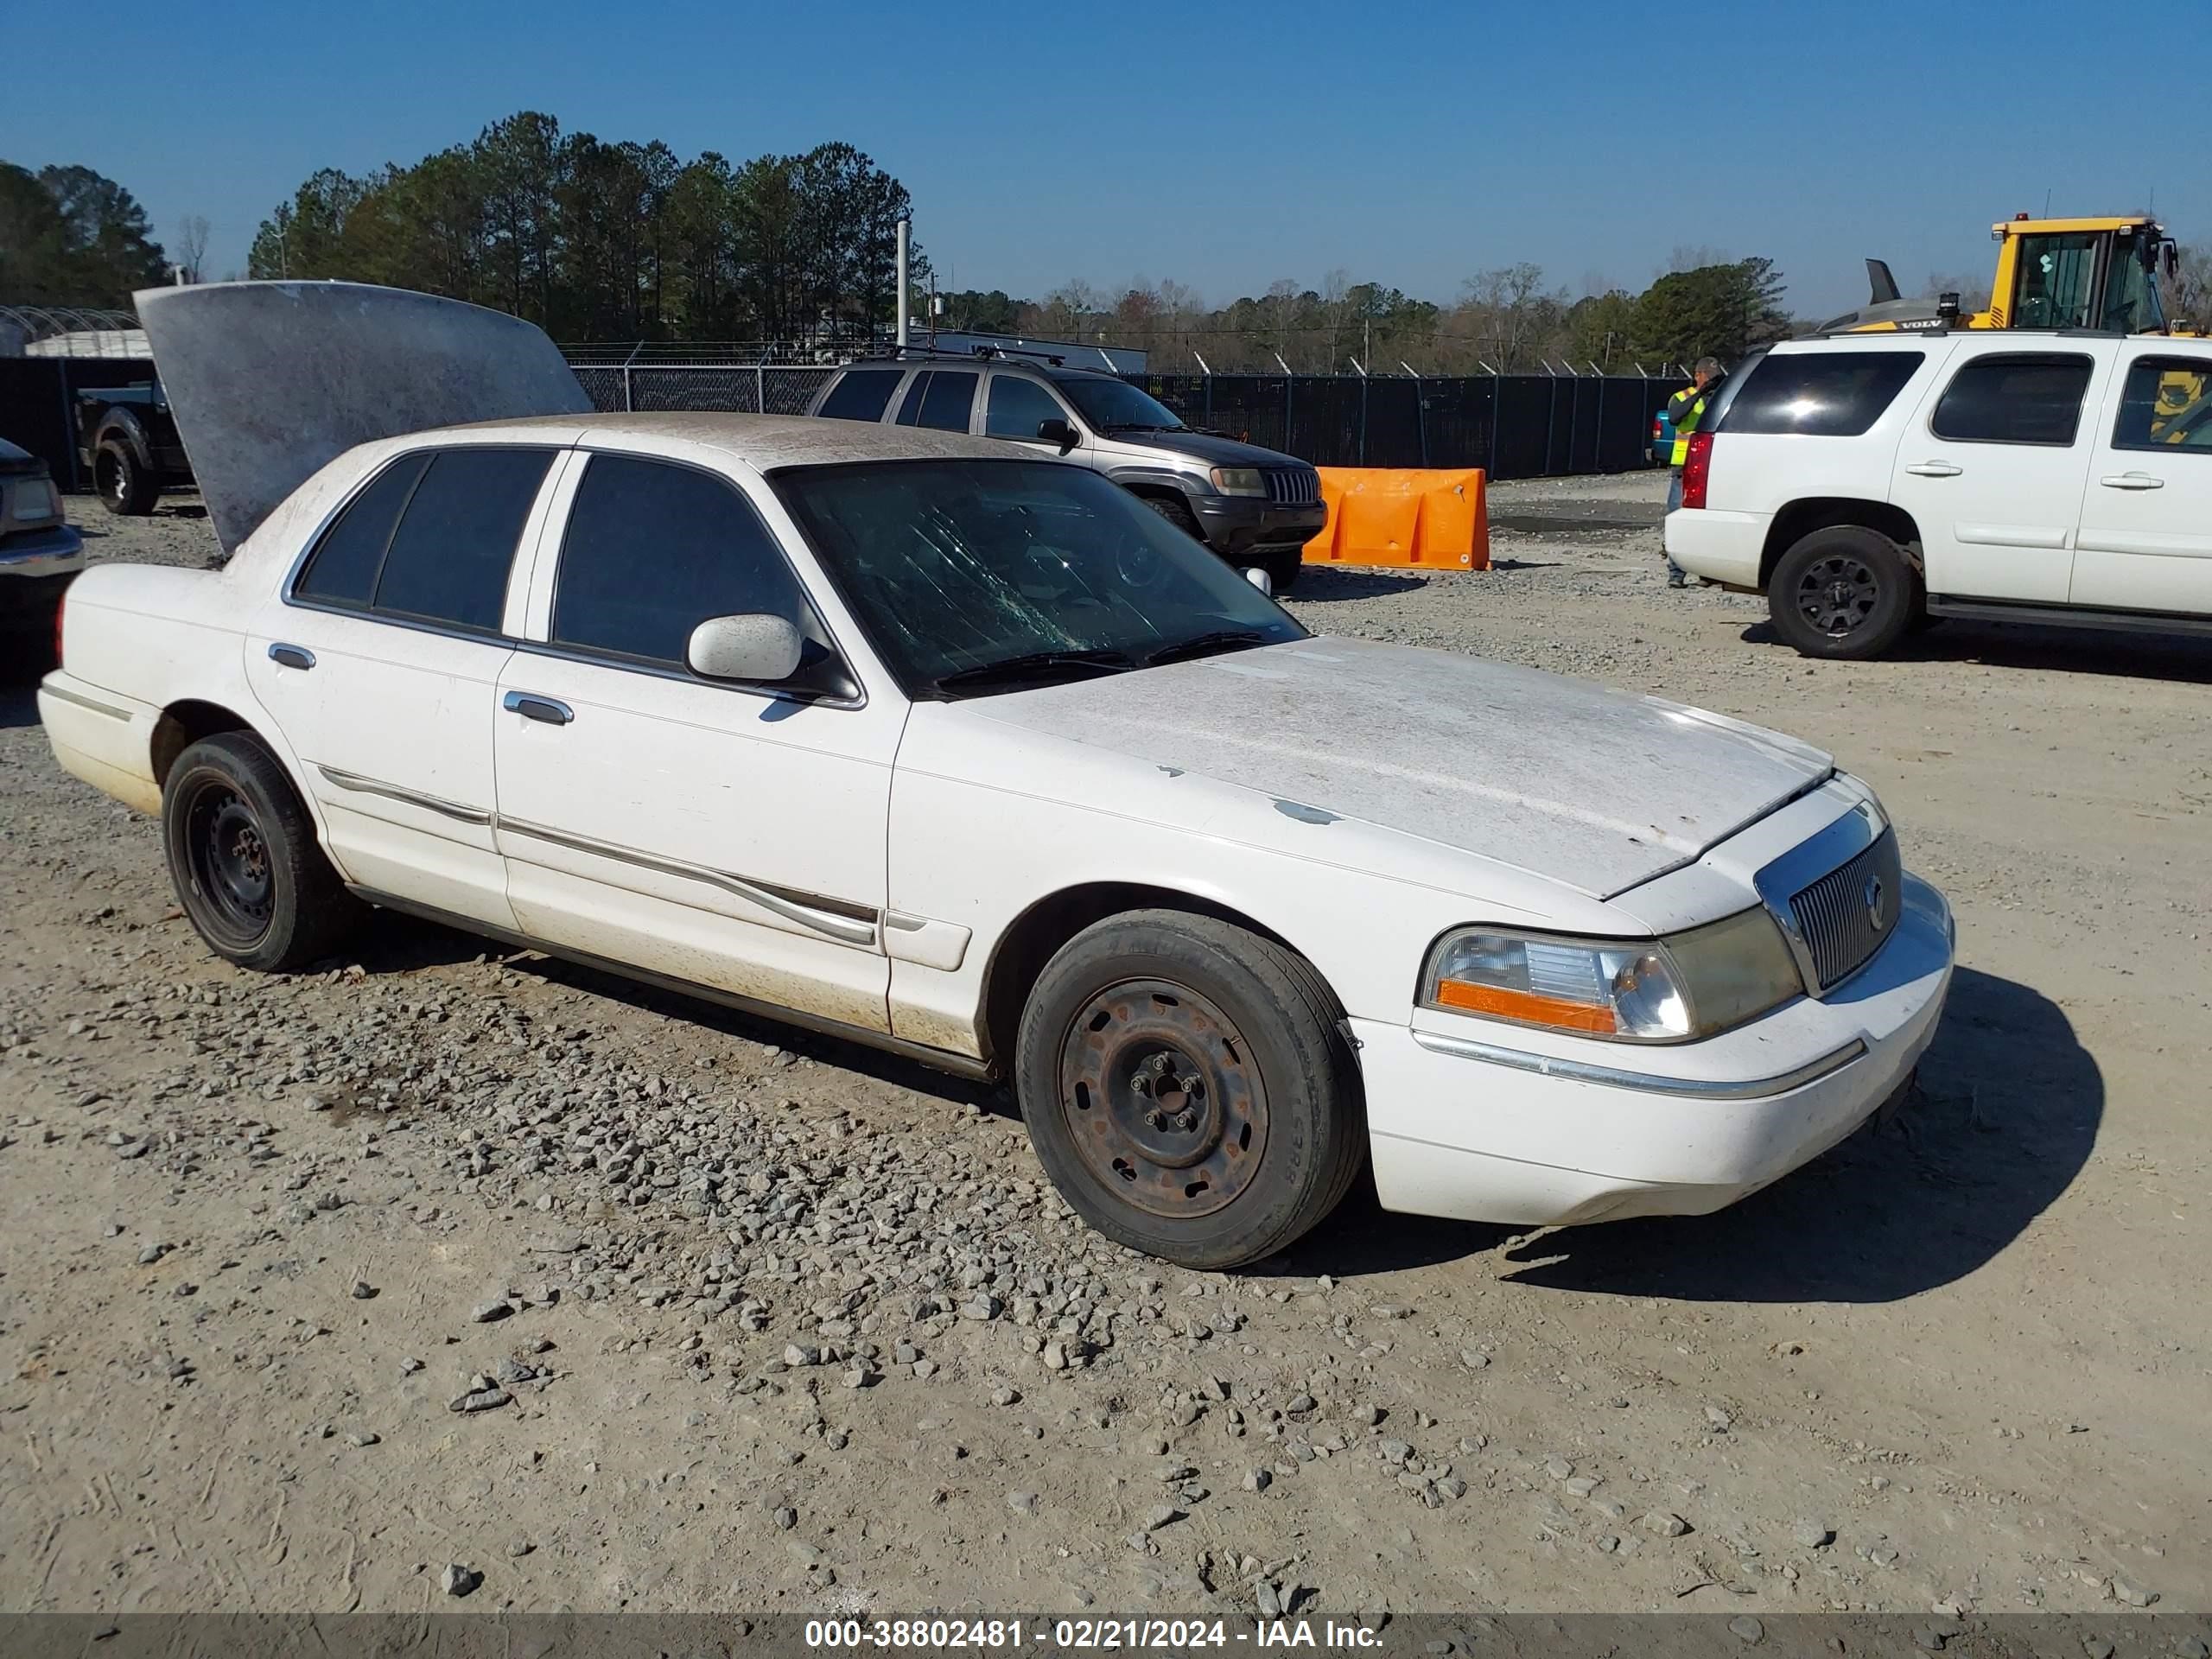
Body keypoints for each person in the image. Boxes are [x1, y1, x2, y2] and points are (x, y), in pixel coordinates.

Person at [1662, 356, 1726, 588]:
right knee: (1678, 517)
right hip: (1683, 466)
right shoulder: (1682, 397)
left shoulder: (1718, 399)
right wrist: (1699, 393)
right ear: (1697, 375)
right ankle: (1676, 574)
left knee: (1708, 520)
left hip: (1711, 466)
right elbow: (1675, 417)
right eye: (1708, 377)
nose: (1711, 381)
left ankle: (1706, 573)